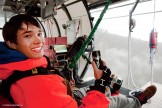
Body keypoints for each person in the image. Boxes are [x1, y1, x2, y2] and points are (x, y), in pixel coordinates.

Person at [0, 14, 157, 108]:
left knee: (88, 89)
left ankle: (109, 88)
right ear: (11, 43)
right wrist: (99, 85)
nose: (38, 41)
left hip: (67, 94)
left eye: (39, 34)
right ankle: (137, 100)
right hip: (75, 102)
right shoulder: (32, 84)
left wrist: (65, 82)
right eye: (28, 36)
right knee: (116, 101)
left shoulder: (19, 67)